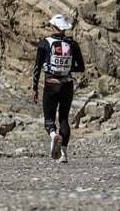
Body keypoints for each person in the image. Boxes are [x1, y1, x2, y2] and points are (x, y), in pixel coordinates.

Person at [31, 13, 85, 164]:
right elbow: (80, 67)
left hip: (50, 84)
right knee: (64, 119)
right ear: (64, 28)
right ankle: (64, 155)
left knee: (49, 119)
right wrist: (65, 69)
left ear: (53, 26)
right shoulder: (72, 44)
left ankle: (54, 135)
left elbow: (37, 67)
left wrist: (34, 87)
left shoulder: (44, 43)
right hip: (67, 85)